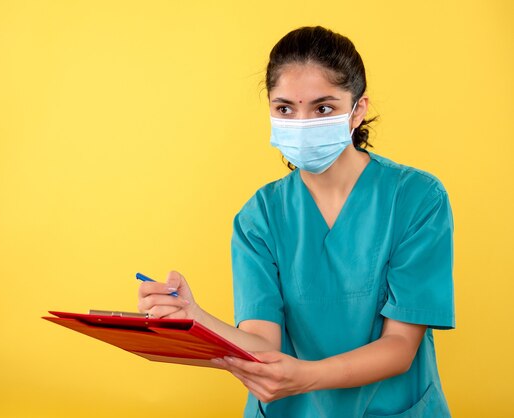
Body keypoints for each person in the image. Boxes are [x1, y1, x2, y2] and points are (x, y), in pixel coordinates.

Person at [137, 26, 455, 418]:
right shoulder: (260, 217)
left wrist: (307, 376)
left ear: (358, 110)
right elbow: (262, 342)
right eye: (285, 108)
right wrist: (195, 317)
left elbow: (399, 349)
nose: (302, 123)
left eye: (323, 108)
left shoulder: (416, 199)